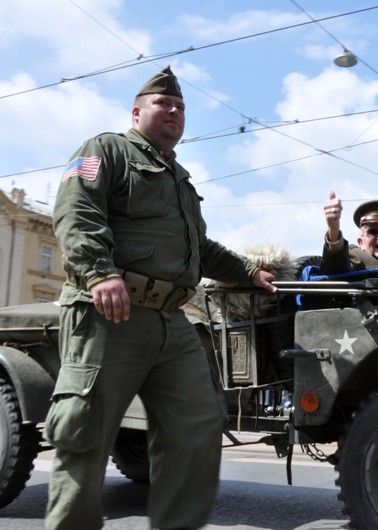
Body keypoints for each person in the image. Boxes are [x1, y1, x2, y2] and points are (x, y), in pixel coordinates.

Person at [46, 66, 277, 530]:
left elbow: (201, 249)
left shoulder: (181, 178)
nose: (173, 110)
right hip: (110, 312)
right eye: (162, 103)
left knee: (198, 425)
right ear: (137, 112)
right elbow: (76, 212)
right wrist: (98, 273)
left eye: (180, 106)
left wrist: (249, 272)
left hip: (171, 321)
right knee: (84, 433)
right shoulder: (106, 149)